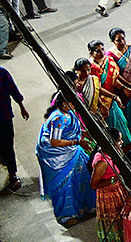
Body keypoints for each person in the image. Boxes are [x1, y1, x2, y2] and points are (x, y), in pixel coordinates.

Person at [36, 94, 93, 226]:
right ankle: (66, 216)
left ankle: (85, 207)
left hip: (73, 150)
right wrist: (77, 142)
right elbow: (55, 142)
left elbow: (74, 129)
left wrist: (85, 134)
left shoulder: (69, 113)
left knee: (83, 175)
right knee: (65, 184)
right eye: (72, 103)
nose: (74, 106)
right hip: (58, 157)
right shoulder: (58, 118)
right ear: (63, 104)